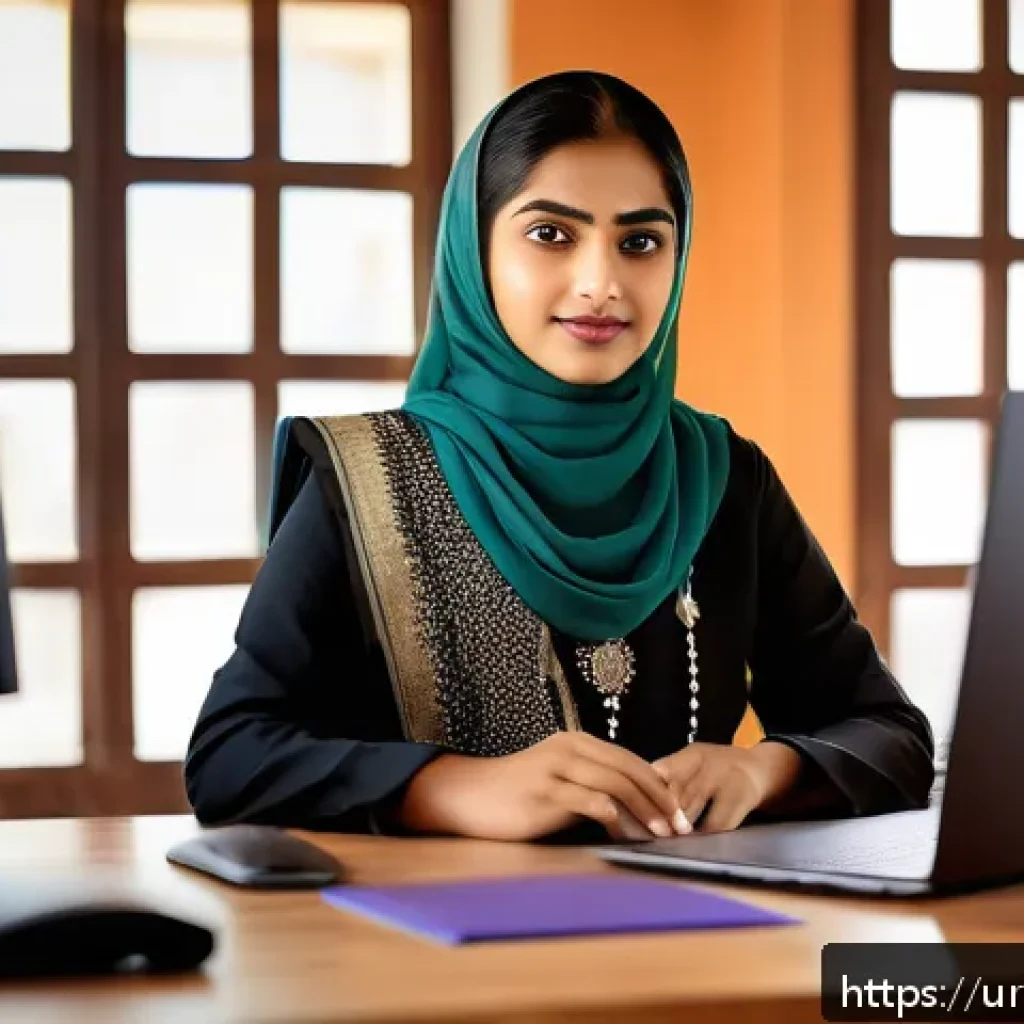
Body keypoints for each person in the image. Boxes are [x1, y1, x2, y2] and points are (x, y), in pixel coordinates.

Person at [184, 70, 934, 845]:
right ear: (475, 252)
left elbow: (890, 734)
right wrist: (453, 789)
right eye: (551, 235)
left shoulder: (720, 477)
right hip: (425, 946)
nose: (601, 283)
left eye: (640, 242)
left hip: (697, 937)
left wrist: (759, 770)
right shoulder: (370, 477)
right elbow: (231, 754)